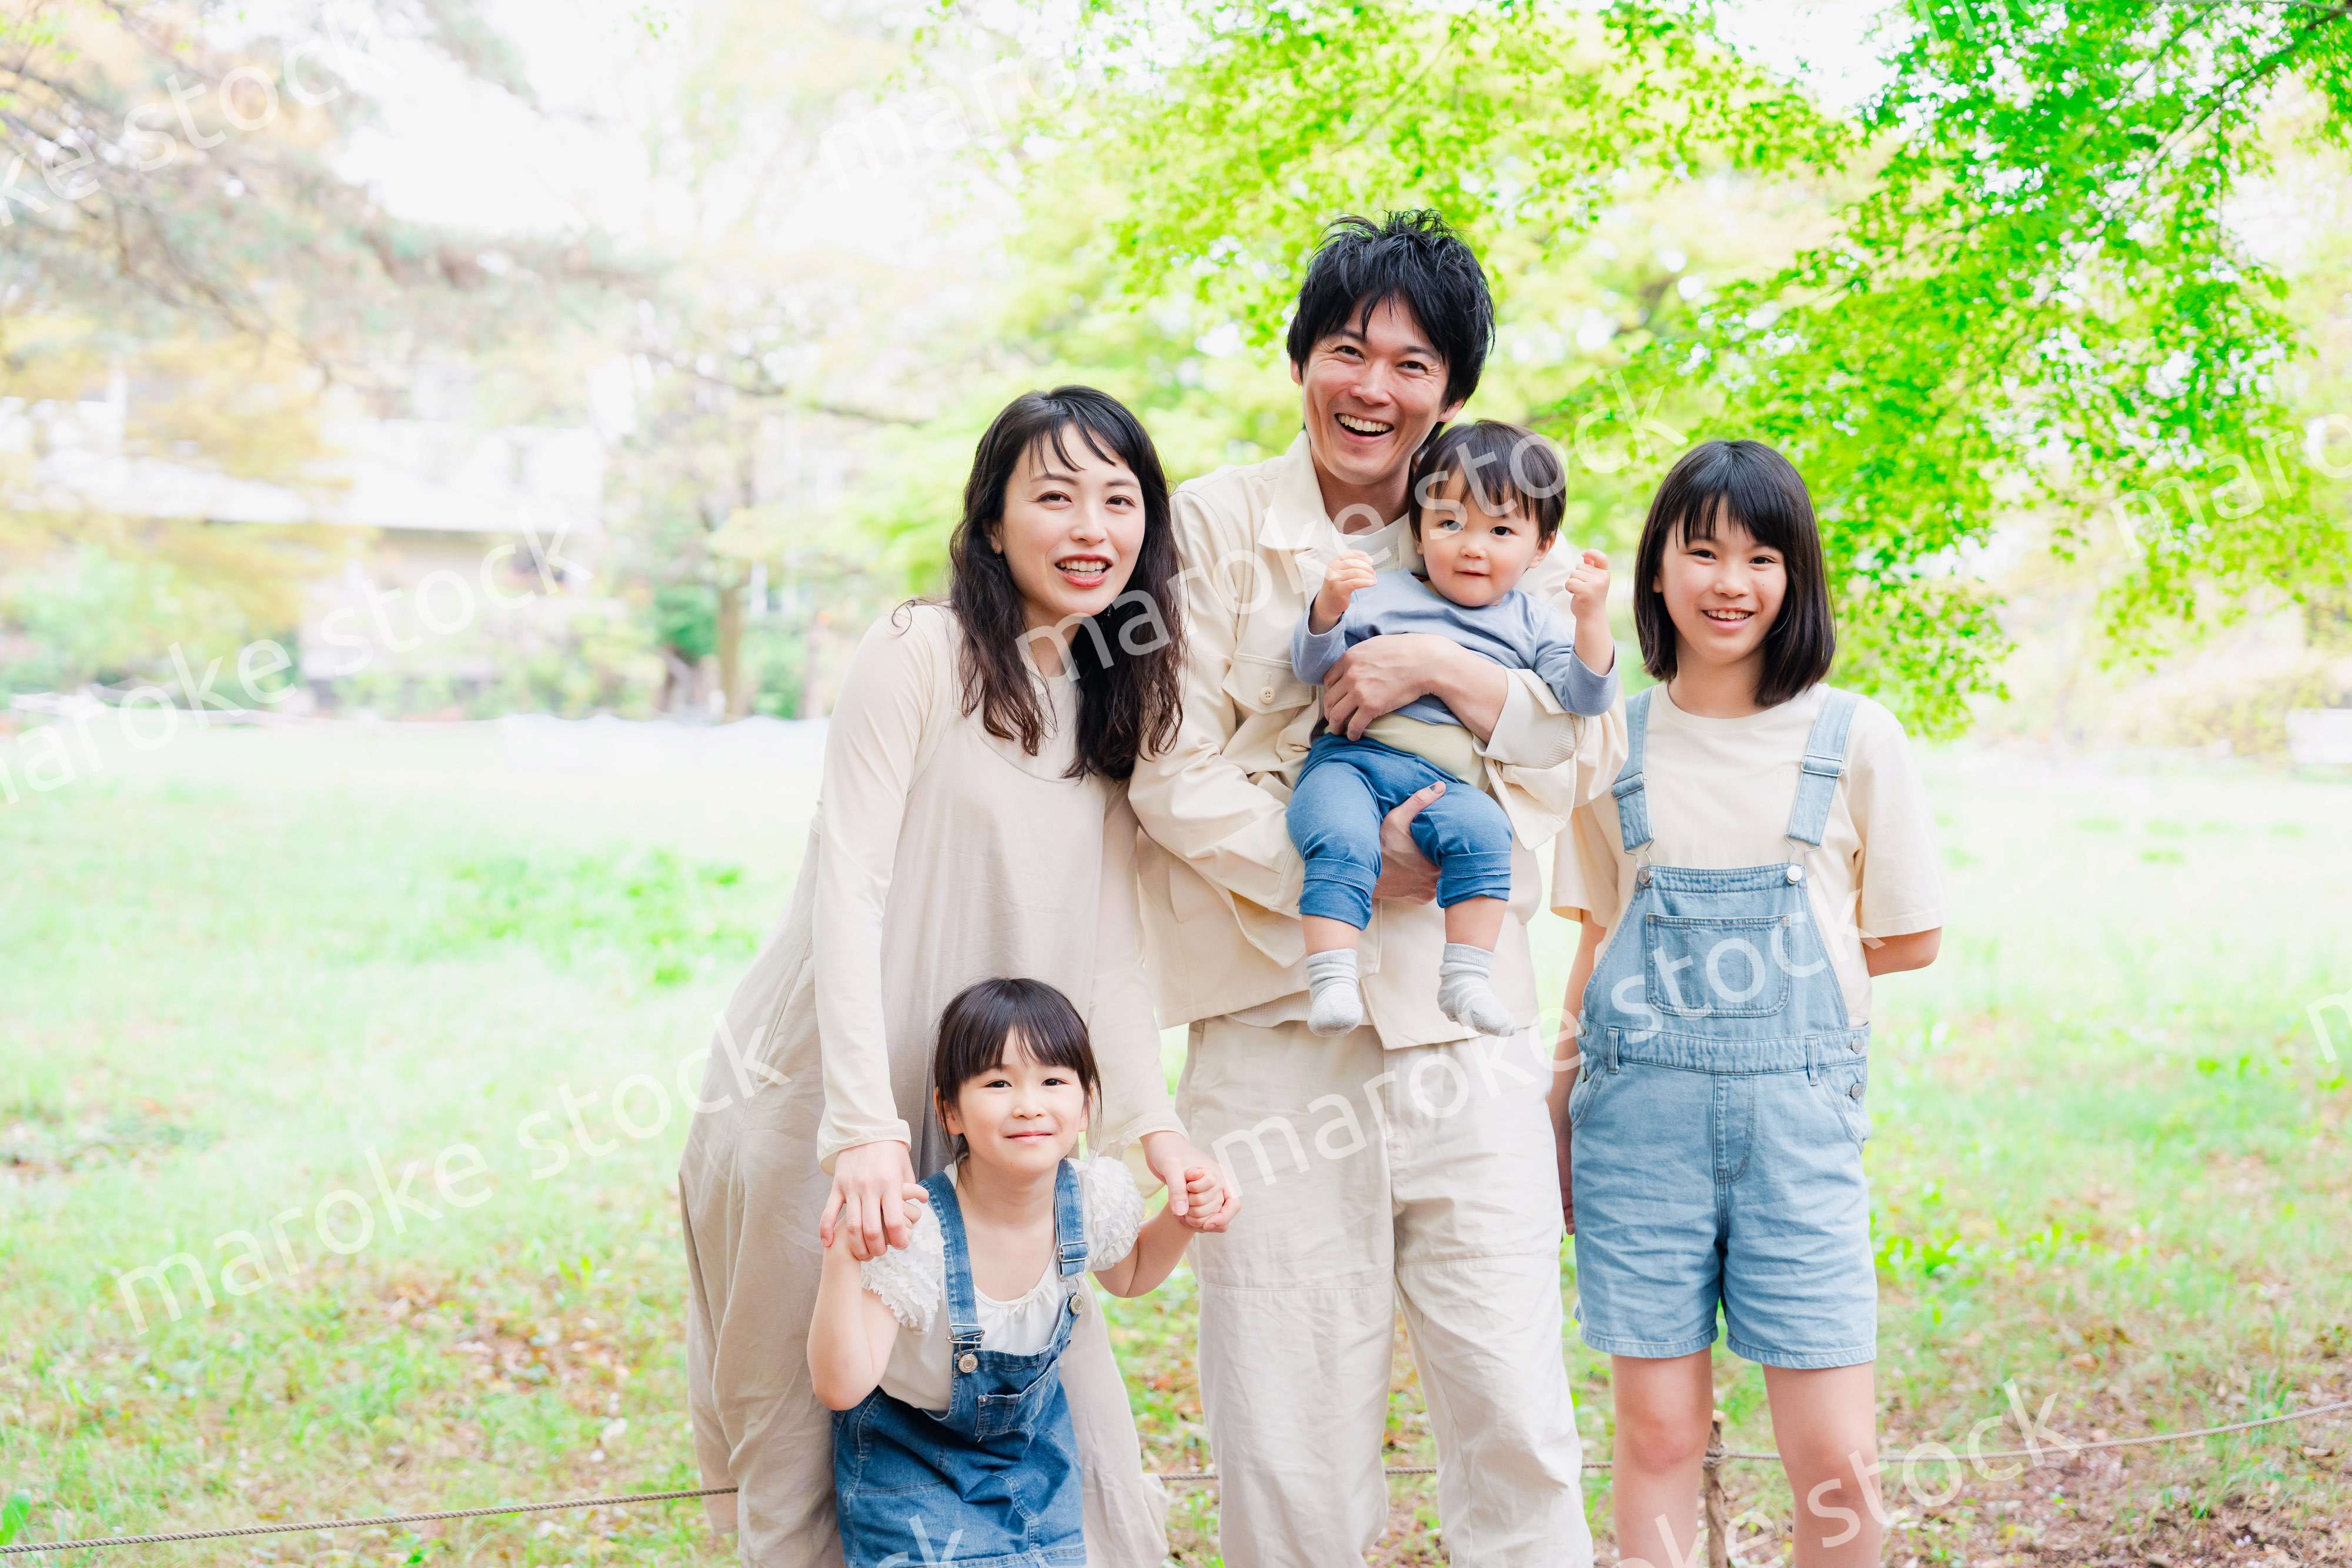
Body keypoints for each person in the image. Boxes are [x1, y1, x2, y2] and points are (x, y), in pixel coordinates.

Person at [1128, 210, 1623, 1567]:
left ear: (1451, 390)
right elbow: (1167, 768)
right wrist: (1353, 865)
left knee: (1517, 1425)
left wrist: (1453, 677)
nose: (1373, 386)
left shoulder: (1500, 519)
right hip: (1279, 1039)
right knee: (1286, 1451)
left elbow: (1579, 748)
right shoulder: (1216, 525)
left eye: (1412, 364)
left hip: (1468, 1047)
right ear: (1301, 361)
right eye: (1346, 350)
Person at [679, 386, 1239, 1568]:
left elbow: (1106, 953)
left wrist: (1154, 1129)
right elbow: (851, 882)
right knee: (805, 1445)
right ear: (990, 522)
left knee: (1067, 1437)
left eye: (1117, 497)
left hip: (1001, 1108)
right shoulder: (922, 650)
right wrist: (861, 1129)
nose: (1088, 523)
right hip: (825, 1095)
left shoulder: (1111, 694)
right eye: (1052, 493)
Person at [1546, 439, 1945, 1568]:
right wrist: (1557, 1102)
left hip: (1799, 1134)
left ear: (1796, 577)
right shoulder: (1611, 736)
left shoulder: (1853, 735)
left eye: (1764, 557)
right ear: (1658, 570)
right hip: (1637, 1134)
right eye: (1705, 550)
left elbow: (1908, 934)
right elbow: (1594, 942)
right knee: (1658, 1432)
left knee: (1836, 1457)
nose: (1733, 581)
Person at [809, 978, 1212, 1568]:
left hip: (1031, 1455)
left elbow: (1129, 1276)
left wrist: (1182, 1218)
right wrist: (845, 1257)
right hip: (913, 1459)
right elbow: (842, 1387)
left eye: (1053, 1081)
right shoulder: (917, 1232)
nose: (1028, 1103)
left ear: (1086, 1103)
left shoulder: (1093, 1197)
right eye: (998, 1083)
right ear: (950, 1110)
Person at [1288, 419, 1619, 1038]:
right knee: (1335, 832)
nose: (1472, 547)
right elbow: (1312, 667)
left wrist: (1590, 616)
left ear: (1541, 548)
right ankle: (1331, 974)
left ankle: (1465, 979)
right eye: (1449, 524)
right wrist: (1329, 606)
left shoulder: (1533, 622)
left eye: (1500, 531)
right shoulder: (1379, 594)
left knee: (1487, 835)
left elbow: (1584, 697)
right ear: (1418, 528)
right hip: (1352, 763)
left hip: (1450, 786)